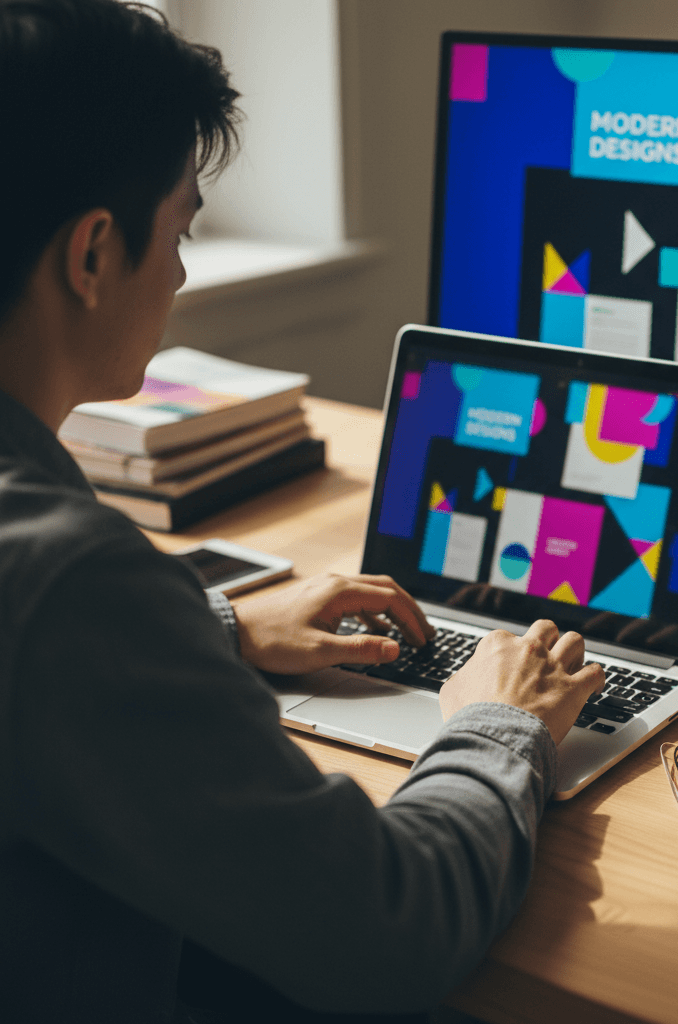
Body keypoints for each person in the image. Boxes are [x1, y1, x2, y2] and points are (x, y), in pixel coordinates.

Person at [0, 2, 603, 1022]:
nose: (180, 271)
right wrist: (501, 724)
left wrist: (215, 625)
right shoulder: (68, 581)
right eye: (182, 230)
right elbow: (392, 930)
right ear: (91, 255)